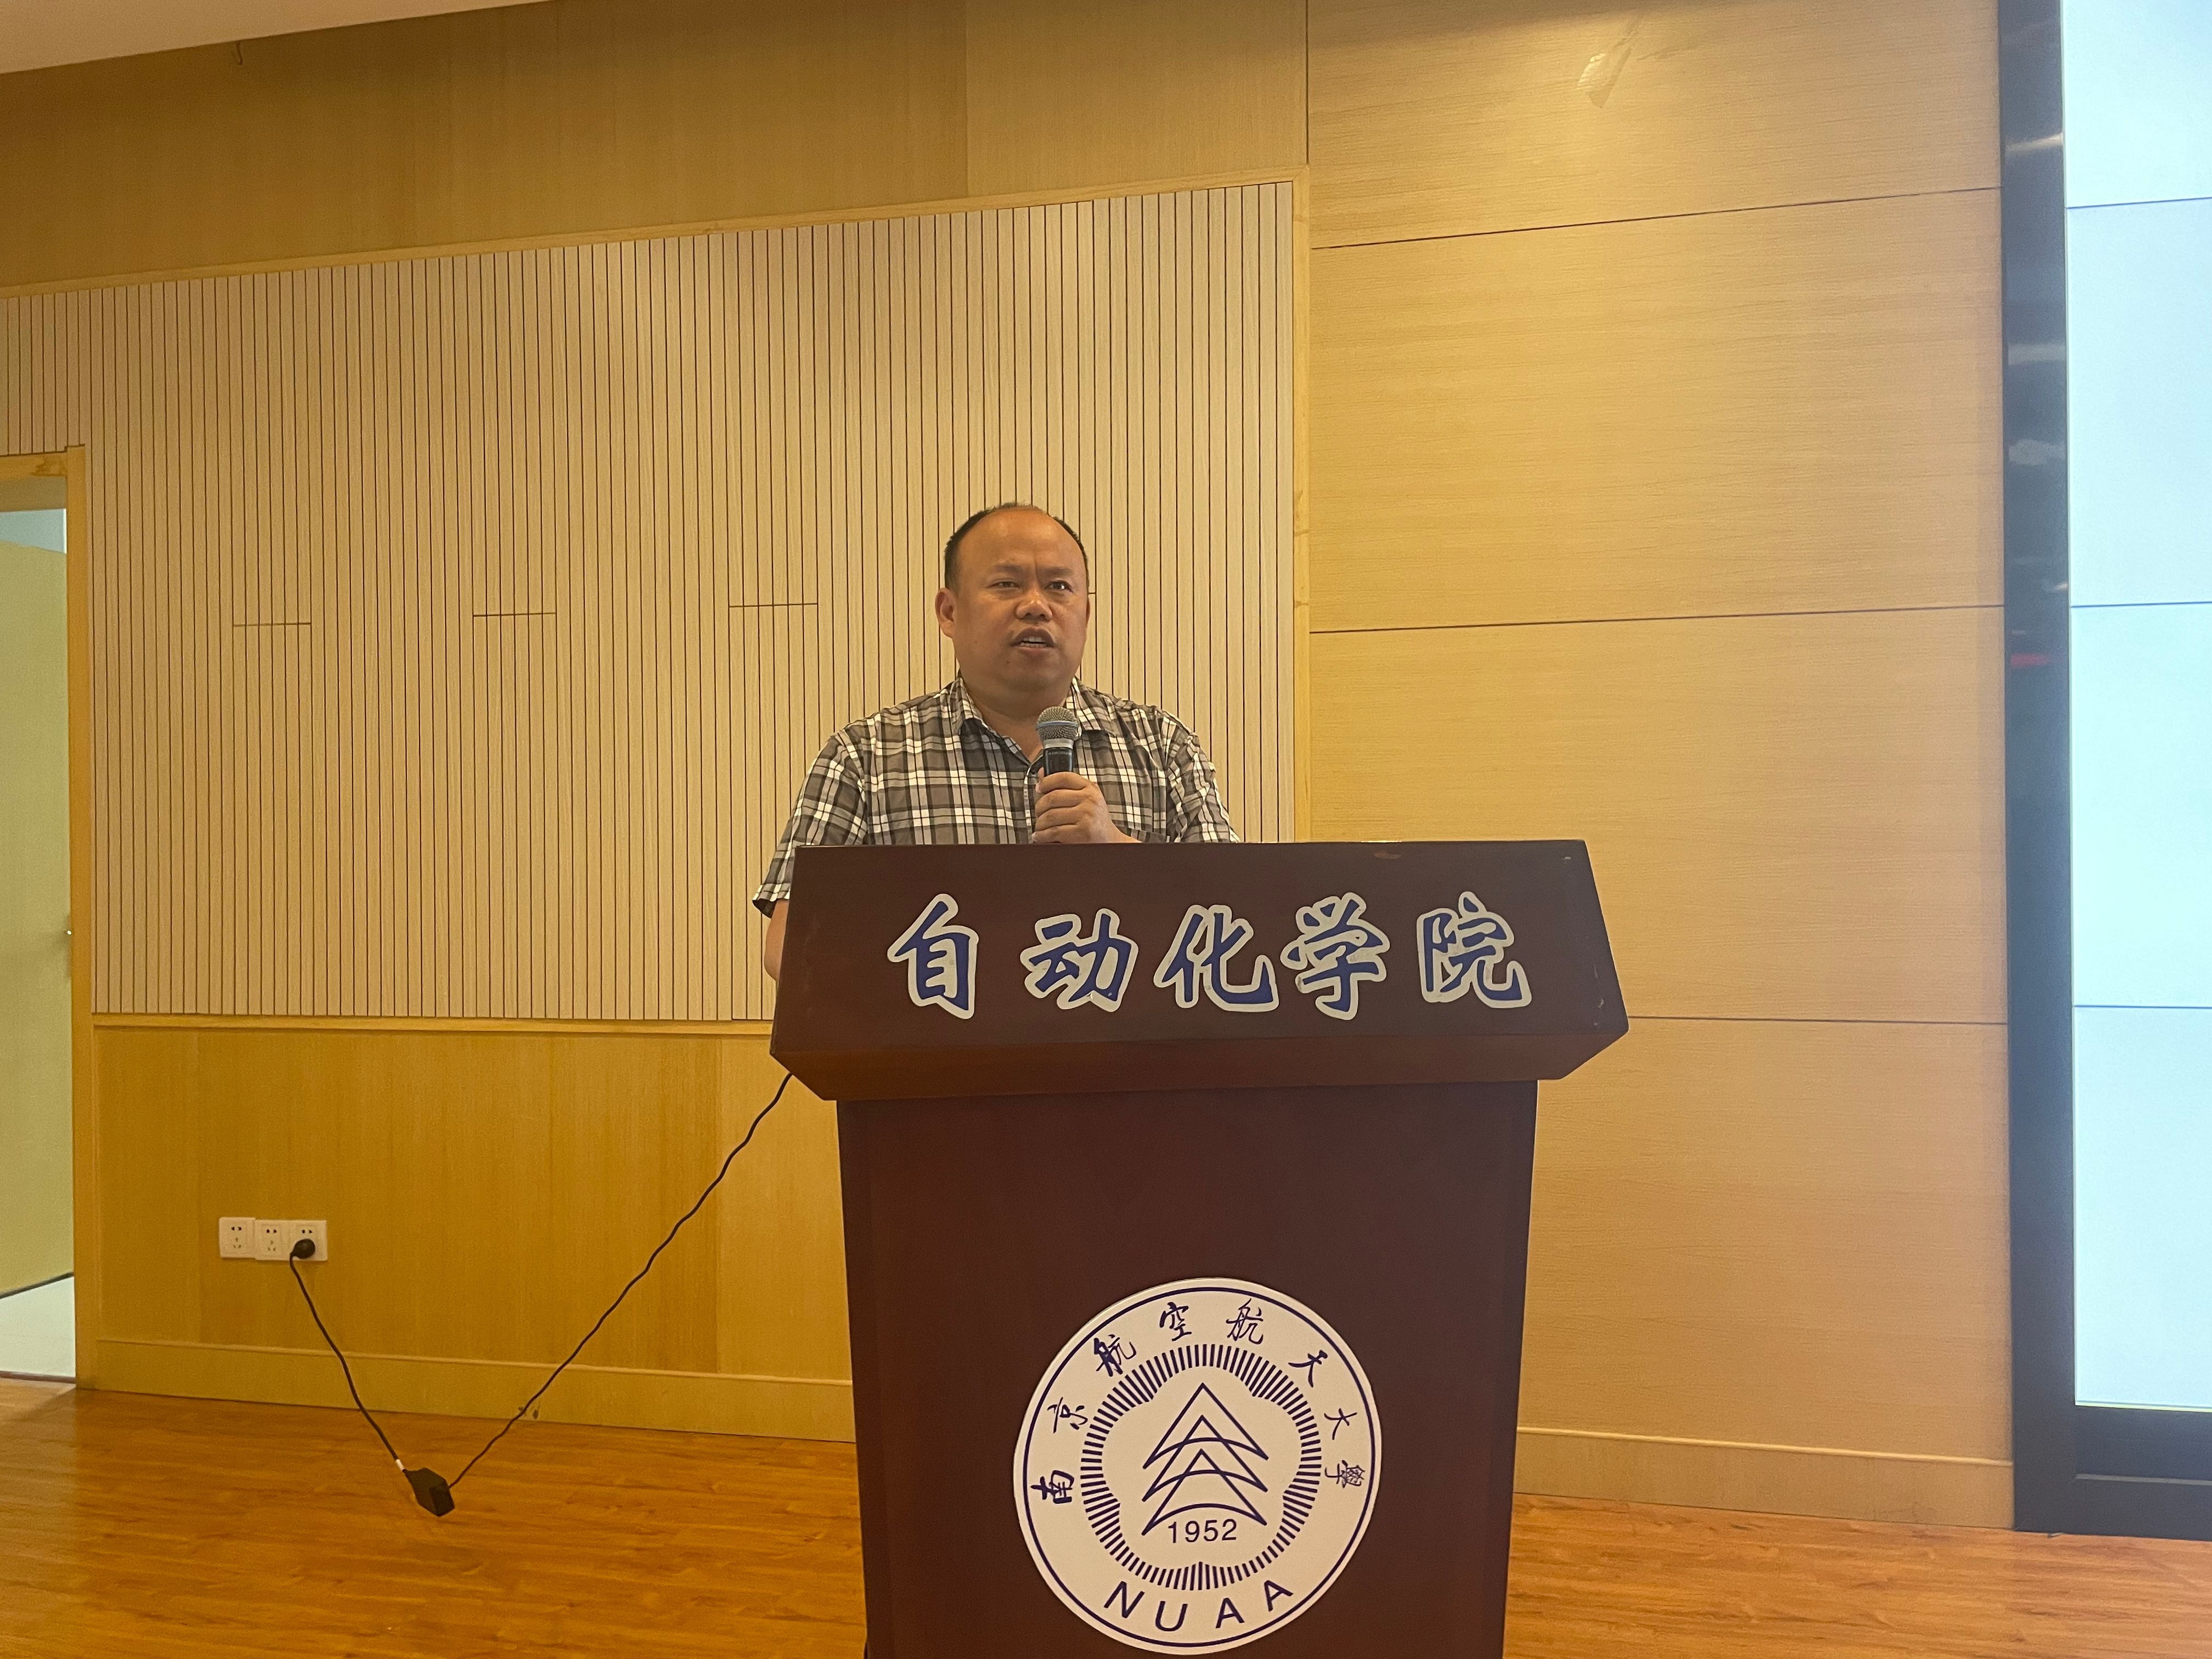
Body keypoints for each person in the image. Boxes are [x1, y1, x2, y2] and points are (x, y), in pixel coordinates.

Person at [755, 502, 1238, 980]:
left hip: (1121, 1031)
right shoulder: (865, 757)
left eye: (1059, 587)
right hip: (935, 1032)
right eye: (1007, 584)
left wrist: (1117, 848)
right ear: (949, 612)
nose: (1036, 605)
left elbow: (1239, 920)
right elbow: (789, 946)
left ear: (1086, 613)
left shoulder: (1163, 746)